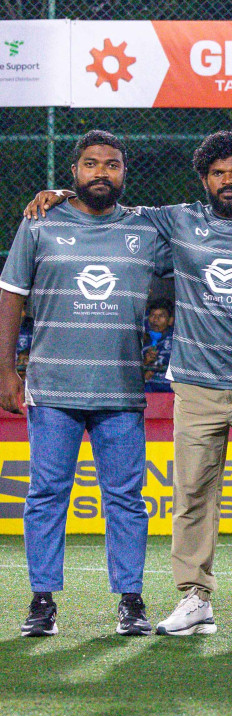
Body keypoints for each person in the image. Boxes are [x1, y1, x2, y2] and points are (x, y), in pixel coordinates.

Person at [26, 131, 232, 638]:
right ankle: (195, 598)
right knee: (190, 495)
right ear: (204, 179)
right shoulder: (176, 219)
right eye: (217, 173)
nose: (226, 181)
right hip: (195, 384)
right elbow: (103, 203)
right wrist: (58, 193)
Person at [0, 130, 172, 638]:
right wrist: (6, 368)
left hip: (120, 390)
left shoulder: (146, 229)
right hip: (52, 386)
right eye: (91, 164)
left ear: (124, 173)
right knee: (46, 494)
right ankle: (41, 601)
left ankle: (131, 600)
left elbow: (202, 242)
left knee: (126, 497)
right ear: (74, 172)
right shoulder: (40, 222)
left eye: (112, 165)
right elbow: (10, 296)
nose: (102, 173)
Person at [142, 303, 174, 391]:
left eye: (161, 315)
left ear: (170, 320)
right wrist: (146, 362)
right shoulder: (142, 343)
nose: (155, 319)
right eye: (152, 315)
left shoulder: (177, 341)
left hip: (171, 391)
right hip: (149, 392)